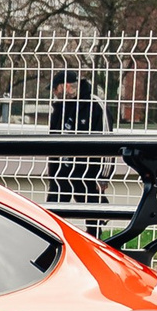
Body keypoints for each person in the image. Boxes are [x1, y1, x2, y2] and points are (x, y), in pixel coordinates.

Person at [45, 66, 111, 210]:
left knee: (92, 210)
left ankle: (95, 230)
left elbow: (107, 141)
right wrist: (53, 173)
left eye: (55, 89)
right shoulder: (59, 108)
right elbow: (53, 142)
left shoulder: (95, 105)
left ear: (65, 86)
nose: (54, 93)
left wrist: (103, 176)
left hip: (88, 171)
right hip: (62, 172)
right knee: (54, 209)